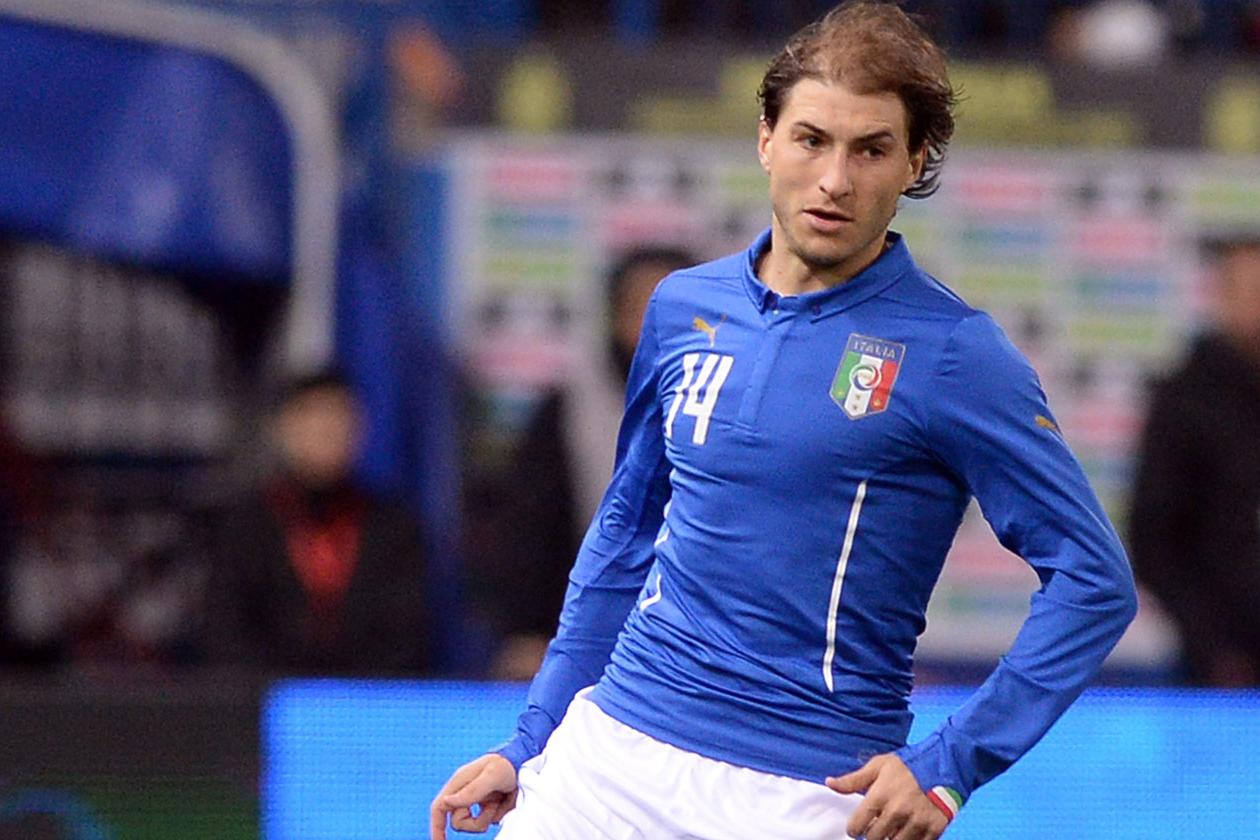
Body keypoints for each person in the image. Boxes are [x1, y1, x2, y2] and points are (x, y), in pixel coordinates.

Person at [431, 3, 1136, 838]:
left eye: (871, 149)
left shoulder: (955, 354)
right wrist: (533, 737)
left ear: (915, 162)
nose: (835, 179)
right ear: (766, 137)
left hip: (804, 791)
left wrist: (952, 763)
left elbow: (1094, 582)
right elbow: (626, 532)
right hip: (608, 756)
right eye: (812, 139)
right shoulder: (682, 307)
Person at [474, 246, 697, 681]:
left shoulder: (731, 405)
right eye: (641, 309)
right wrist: (525, 631)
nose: (657, 327)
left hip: (698, 642)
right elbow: (529, 531)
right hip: (586, 639)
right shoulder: (568, 408)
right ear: (615, 316)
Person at [207, 370, 431, 675]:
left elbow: (407, 637)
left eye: (338, 417)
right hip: (265, 703)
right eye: (310, 416)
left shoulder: (392, 527)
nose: (325, 430)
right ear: (282, 428)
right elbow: (226, 630)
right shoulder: (247, 525)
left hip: (368, 706)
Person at [1129, 236, 1260, 687]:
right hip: (1218, 663)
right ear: (1220, 296)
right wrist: (1213, 645)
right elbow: (1154, 536)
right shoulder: (1185, 398)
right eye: (1243, 291)